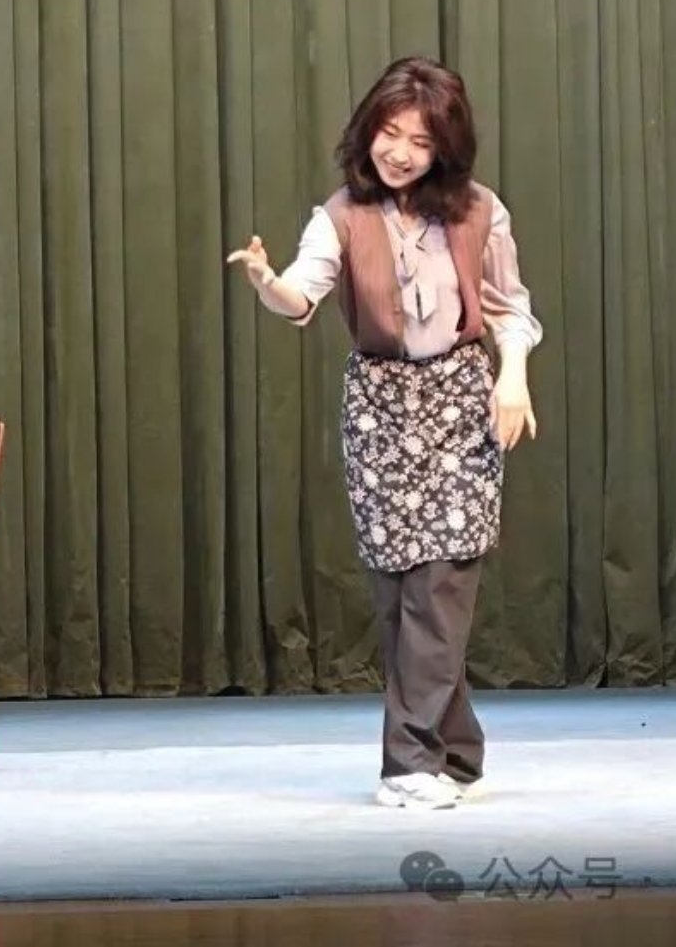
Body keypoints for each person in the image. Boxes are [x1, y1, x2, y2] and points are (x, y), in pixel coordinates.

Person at [227, 55, 541, 811]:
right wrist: (268, 284)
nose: (400, 152)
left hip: (460, 399)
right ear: (367, 130)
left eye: (421, 141)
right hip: (379, 406)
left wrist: (512, 377)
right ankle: (457, 754)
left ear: (446, 148)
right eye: (389, 133)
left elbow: (510, 308)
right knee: (402, 593)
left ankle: (407, 763)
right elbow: (302, 290)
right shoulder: (339, 215)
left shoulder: (479, 211)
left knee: (443, 581)